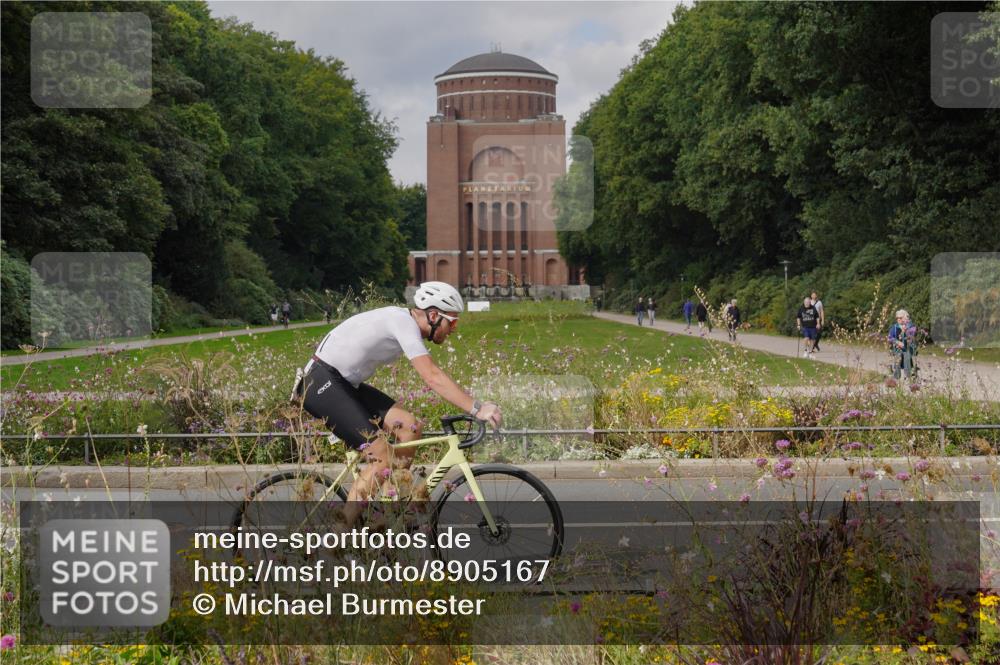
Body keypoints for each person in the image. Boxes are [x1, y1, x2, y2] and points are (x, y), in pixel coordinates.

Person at [297, 281, 502, 525]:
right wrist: (477, 408)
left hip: (343, 383)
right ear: (434, 315)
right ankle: (339, 539)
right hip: (319, 383)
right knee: (382, 456)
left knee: (409, 426)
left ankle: (386, 512)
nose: (453, 329)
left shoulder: (404, 322)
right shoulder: (402, 323)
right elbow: (432, 376)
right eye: (452, 322)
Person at [888, 309, 918, 380]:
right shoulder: (894, 327)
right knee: (897, 360)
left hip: (908, 348)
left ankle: (909, 376)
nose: (898, 319)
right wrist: (897, 342)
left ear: (905, 317)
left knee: (907, 359)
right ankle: (896, 377)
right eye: (897, 318)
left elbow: (913, 334)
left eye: (900, 318)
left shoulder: (910, 326)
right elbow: (890, 338)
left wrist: (906, 332)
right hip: (898, 348)